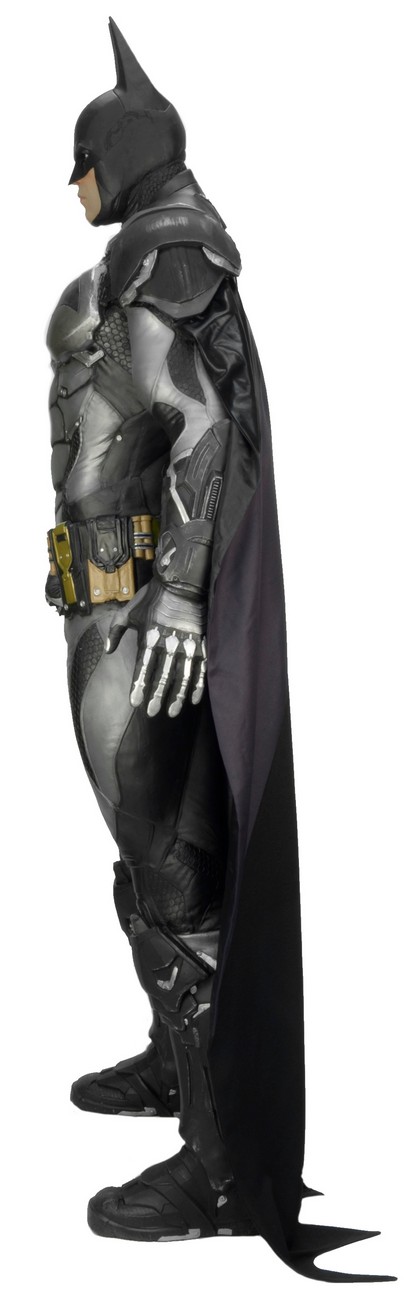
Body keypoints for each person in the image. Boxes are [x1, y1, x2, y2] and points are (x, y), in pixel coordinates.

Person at [46, 17, 392, 1282]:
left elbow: (201, 430)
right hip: (105, 603)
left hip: (146, 617)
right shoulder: (148, 251)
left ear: (126, 152)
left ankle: (223, 1162)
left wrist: (183, 600)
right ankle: (174, 1062)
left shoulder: (167, 256)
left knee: (174, 868)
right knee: (145, 859)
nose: (70, 182)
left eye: (83, 157)